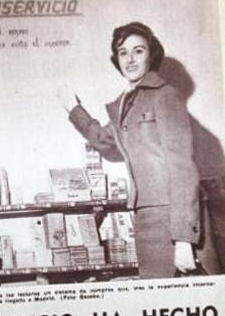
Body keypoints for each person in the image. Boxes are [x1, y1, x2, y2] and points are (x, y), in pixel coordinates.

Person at [59, 21, 220, 278]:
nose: (130, 59)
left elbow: (182, 168)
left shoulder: (165, 96)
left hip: (172, 217)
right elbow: (105, 143)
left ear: (151, 55)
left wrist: (183, 239)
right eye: (123, 52)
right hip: (147, 218)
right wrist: (74, 109)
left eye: (138, 51)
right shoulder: (128, 102)